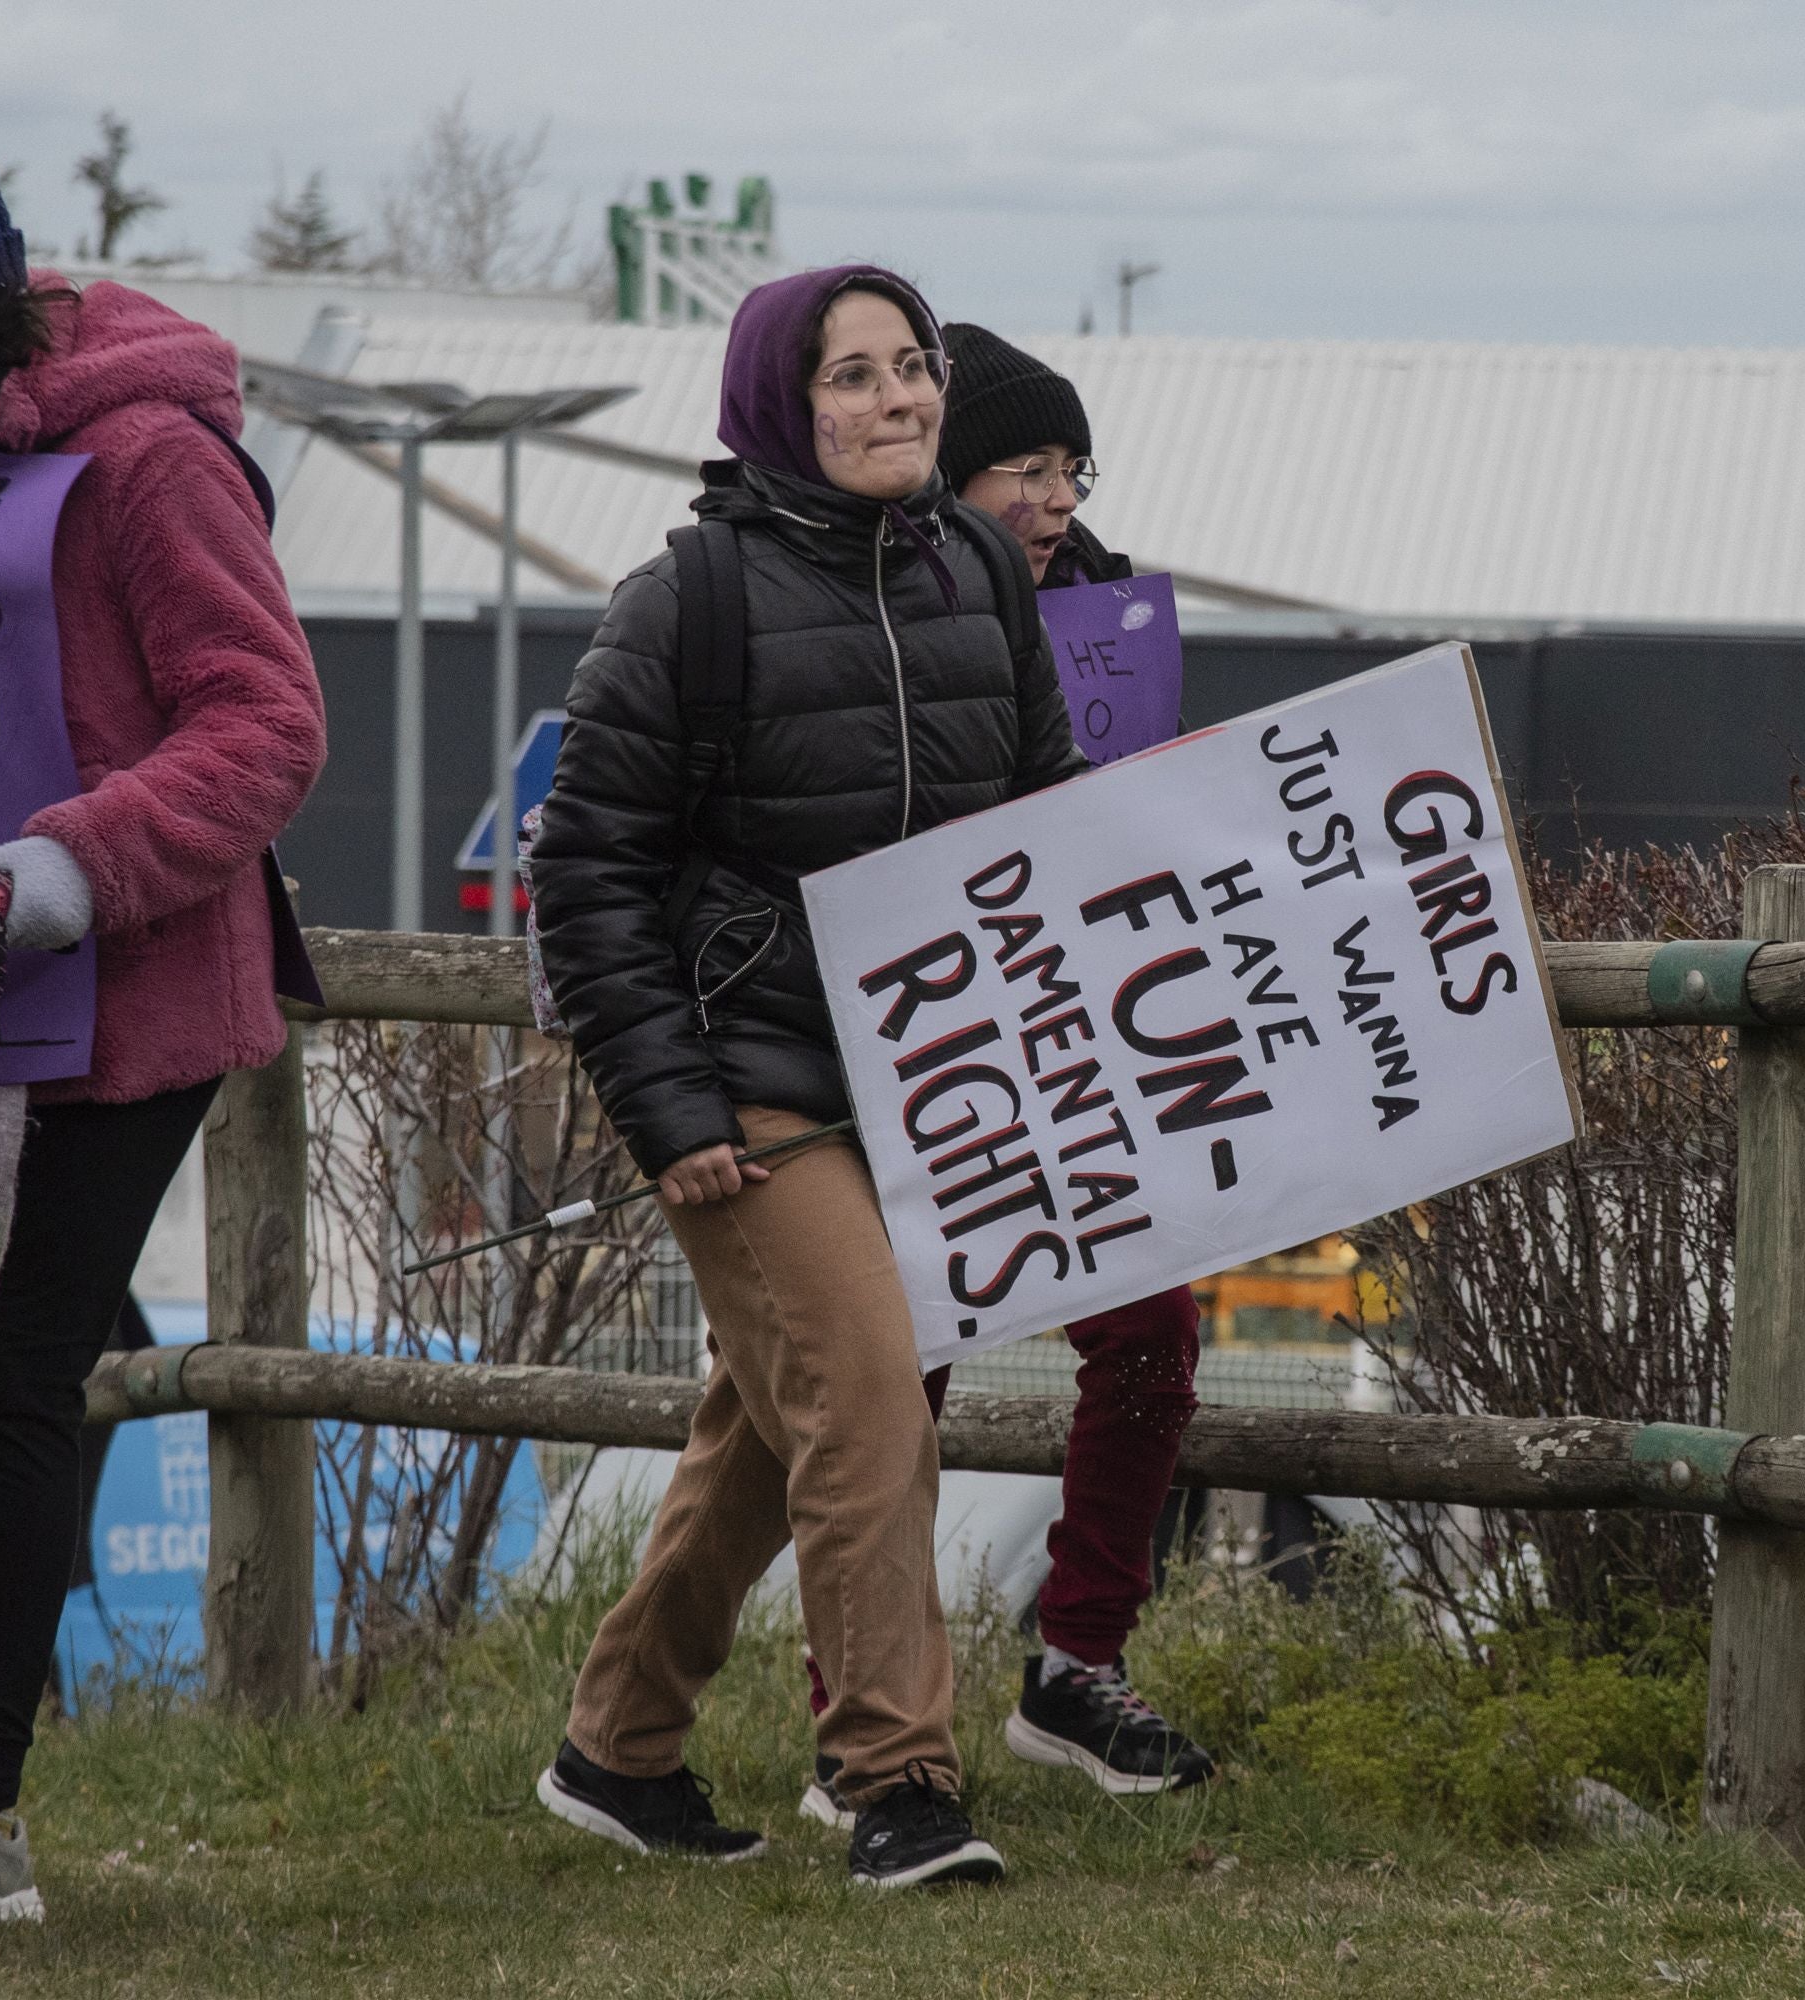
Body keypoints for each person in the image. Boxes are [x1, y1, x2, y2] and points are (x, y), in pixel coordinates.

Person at [529, 265, 1082, 1890]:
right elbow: (587, 876)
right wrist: (670, 1111)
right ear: (784, 399)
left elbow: (1043, 803)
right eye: (853, 377)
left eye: (913, 369)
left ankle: (617, 1748)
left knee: (775, 1432)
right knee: (866, 1393)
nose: (898, 400)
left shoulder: (980, 561)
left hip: (932, 1079)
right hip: (752, 1076)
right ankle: (899, 1785)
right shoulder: (686, 598)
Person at [0, 110, 330, 1931]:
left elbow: (269, 729)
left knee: (7, 1387)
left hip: (119, 996)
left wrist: (42, 880)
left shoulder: (151, 459)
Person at [773, 319, 1216, 1806]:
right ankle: (863, 1723)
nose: (1056, 497)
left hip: (1078, 1062)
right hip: (903, 1071)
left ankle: (1076, 1663)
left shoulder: (1116, 626)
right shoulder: (845, 608)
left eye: (1070, 467)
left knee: (1153, 1334)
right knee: (896, 1390)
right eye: (1022, 467)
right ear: (946, 478)